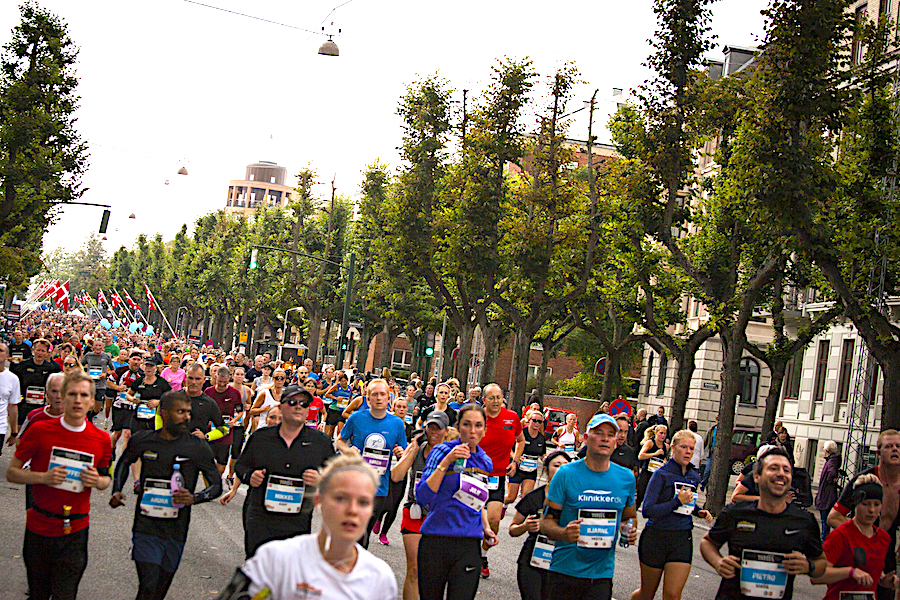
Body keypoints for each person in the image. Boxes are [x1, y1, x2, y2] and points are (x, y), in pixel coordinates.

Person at [228, 454, 397, 600]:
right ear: (319, 501)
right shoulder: (275, 560)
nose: (352, 510)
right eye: (340, 498)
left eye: (363, 502)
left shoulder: (380, 578)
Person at [6, 370, 112, 600]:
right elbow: (12, 473)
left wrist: (97, 481)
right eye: (72, 394)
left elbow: (106, 480)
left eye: (84, 395)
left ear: (92, 401)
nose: (77, 400)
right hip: (40, 527)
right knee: (39, 594)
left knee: (65, 594)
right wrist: (43, 478)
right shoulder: (40, 430)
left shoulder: (101, 439)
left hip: (75, 530)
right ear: (62, 397)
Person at [110, 390, 222, 600]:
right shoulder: (143, 440)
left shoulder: (197, 447)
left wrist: (195, 497)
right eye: (180, 412)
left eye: (188, 412)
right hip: (146, 526)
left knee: (159, 590)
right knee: (148, 587)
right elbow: (124, 462)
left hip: (176, 529)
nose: (187, 417)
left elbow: (216, 485)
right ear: (164, 412)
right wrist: (116, 490)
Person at [700, 447, 826, 600]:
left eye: (786, 470)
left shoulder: (804, 521)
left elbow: (821, 563)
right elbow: (708, 543)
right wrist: (718, 562)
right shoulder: (735, 513)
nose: (781, 473)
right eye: (774, 468)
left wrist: (809, 567)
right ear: (756, 476)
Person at [540, 414, 638, 600]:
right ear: (585, 438)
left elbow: (629, 517)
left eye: (610, 434)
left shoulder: (626, 478)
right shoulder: (566, 474)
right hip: (564, 571)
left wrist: (630, 530)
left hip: (601, 575)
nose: (605, 438)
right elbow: (545, 523)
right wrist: (563, 534)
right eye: (598, 433)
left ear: (616, 442)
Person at [234, 384, 335, 558]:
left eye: (304, 404)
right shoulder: (261, 438)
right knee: (257, 567)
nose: (298, 407)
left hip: (297, 520)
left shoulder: (320, 442)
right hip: (260, 516)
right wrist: (250, 476)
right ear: (281, 406)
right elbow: (240, 467)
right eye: (293, 402)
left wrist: (321, 479)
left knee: (289, 573)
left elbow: (335, 478)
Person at [415, 403, 498, 600]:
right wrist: (447, 462)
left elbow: (479, 502)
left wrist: (486, 528)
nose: (472, 430)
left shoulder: (485, 462)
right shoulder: (442, 451)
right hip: (436, 540)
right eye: (467, 424)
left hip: (468, 543)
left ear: (484, 430)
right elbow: (423, 496)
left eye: (478, 425)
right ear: (458, 427)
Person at [631, 430, 714, 600]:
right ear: (673, 448)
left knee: (673, 595)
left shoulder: (693, 476)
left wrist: (699, 510)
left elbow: (687, 501)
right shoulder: (661, 474)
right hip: (656, 537)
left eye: (691, 448)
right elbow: (647, 510)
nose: (688, 451)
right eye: (684, 447)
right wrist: (677, 502)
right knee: (646, 594)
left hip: (681, 538)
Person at [827, 429, 900, 600]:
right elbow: (834, 516)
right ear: (879, 452)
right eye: (889, 446)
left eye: (898, 446)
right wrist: (859, 535)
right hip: (858, 552)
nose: (895, 450)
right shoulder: (865, 481)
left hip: (885, 551)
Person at [336, 378, 407, 549]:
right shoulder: (356, 418)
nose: (379, 398)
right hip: (355, 484)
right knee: (354, 532)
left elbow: (403, 451)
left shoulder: (397, 423)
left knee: (364, 533)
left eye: (382, 394)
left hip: (379, 486)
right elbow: (340, 440)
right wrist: (348, 450)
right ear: (368, 398)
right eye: (374, 394)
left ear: (388, 398)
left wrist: (401, 453)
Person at [391, 409, 450, 600]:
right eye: (430, 427)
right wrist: (411, 452)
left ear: (446, 431)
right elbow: (396, 475)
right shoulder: (417, 448)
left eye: (438, 429)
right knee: (414, 568)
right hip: (414, 510)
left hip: (438, 515)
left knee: (434, 571)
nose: (433, 432)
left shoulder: (451, 454)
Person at [810, 474, 898, 599]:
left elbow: (872, 569)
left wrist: (884, 580)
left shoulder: (883, 538)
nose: (872, 510)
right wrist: (850, 572)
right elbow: (816, 577)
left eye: (876, 504)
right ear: (855, 504)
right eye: (866, 504)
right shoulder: (840, 536)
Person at [509, 451, 571, 600]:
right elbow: (512, 529)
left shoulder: (575, 499)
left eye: (566, 466)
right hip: (532, 562)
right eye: (557, 465)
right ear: (546, 470)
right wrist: (525, 527)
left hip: (562, 563)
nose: (561, 469)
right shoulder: (534, 497)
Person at [478, 382, 525, 578]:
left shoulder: (512, 417)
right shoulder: (477, 417)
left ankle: (482, 555)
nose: (496, 401)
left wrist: (515, 461)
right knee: (472, 520)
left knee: (494, 521)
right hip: (474, 475)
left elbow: (520, 440)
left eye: (499, 397)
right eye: (492, 398)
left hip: (497, 477)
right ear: (484, 401)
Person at [371, 397, 414, 546]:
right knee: (385, 499)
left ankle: (384, 533)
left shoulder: (408, 427)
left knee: (395, 502)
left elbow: (412, 445)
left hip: (401, 467)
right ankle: (378, 518)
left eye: (404, 407)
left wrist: (405, 449)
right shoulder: (386, 424)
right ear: (393, 408)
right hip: (385, 467)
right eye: (399, 407)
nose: (402, 409)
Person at [504, 407, 548, 509]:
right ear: (529, 420)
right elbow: (508, 449)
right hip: (517, 469)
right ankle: (502, 504)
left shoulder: (541, 438)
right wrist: (516, 457)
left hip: (531, 471)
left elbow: (542, 454)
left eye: (539, 422)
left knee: (526, 497)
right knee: (511, 497)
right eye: (534, 420)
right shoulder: (521, 433)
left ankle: (520, 521)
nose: (537, 423)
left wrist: (546, 459)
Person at [12, 338, 61, 429]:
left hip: (42, 406)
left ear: (47, 353)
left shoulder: (52, 369)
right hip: (24, 406)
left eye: (43, 351)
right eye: (38, 350)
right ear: (33, 350)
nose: (40, 353)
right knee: (20, 435)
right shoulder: (23, 366)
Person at [205, 366, 243, 476]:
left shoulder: (234, 393)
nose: (222, 385)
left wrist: (234, 420)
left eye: (225, 382)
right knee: (207, 463)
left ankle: (216, 481)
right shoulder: (208, 392)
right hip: (210, 433)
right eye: (220, 381)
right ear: (215, 377)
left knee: (221, 465)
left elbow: (240, 411)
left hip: (226, 433)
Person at [80, 338, 116, 422]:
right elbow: (80, 365)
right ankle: (87, 420)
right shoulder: (88, 355)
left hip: (101, 385)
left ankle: (90, 417)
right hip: (89, 384)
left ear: (103, 347)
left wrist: (105, 374)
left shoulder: (106, 356)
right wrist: (85, 374)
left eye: (100, 345)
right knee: (87, 405)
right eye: (96, 345)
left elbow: (112, 370)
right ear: (93, 346)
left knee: (97, 409)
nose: (98, 347)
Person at [814, 440, 841, 542]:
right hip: (828, 495)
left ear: (826, 450)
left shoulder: (831, 462)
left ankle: (824, 541)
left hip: (826, 496)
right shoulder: (832, 461)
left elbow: (832, 473)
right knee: (826, 520)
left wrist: (831, 480)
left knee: (825, 521)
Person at [637, 424, 669, 508]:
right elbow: (640, 456)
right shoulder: (650, 443)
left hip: (657, 475)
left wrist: (665, 461)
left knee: (655, 499)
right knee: (640, 496)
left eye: (665, 434)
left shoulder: (666, 446)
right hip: (646, 472)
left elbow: (665, 458)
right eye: (661, 433)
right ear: (655, 433)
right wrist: (655, 454)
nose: (663, 436)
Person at [0, 342, 22, 450]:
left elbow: (13, 406)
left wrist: (14, 432)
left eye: (0, 351)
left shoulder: (12, 379)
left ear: (7, 357)